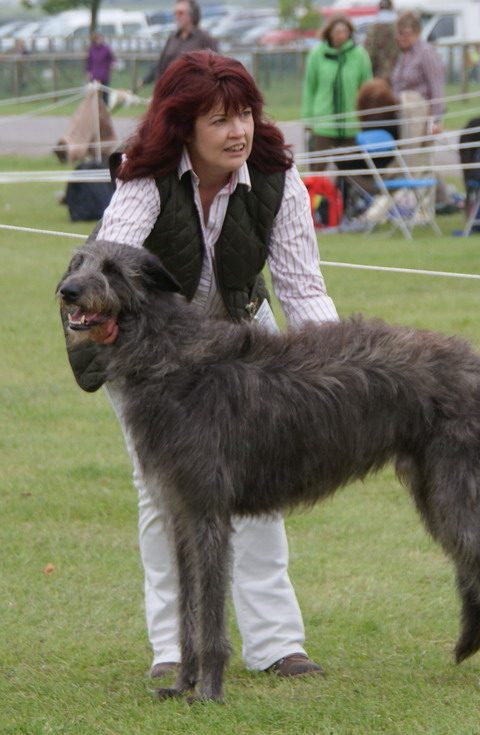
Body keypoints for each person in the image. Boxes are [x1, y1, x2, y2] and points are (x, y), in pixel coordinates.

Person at [69, 49, 338, 681]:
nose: (238, 131)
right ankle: (174, 650)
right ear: (183, 125)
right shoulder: (144, 178)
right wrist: (101, 328)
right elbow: (108, 262)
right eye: (219, 119)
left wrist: (335, 368)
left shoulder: (279, 177)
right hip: (153, 353)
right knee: (165, 496)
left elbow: (304, 290)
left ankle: (277, 645)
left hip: (244, 341)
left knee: (258, 488)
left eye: (244, 114)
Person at [302, 13, 372, 171]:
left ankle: (346, 196)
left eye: (344, 31)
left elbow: (367, 89)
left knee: (352, 171)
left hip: (352, 125)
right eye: (337, 31)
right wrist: (308, 120)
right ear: (329, 32)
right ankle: (314, 196)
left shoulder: (359, 55)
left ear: (350, 32)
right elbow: (309, 88)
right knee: (318, 169)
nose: (341, 35)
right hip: (323, 124)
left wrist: (367, 117)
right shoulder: (316, 55)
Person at [139, 0, 218, 88]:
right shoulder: (173, 38)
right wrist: (149, 81)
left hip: (195, 92)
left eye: (181, 13)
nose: (177, 16)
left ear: (192, 15)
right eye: (175, 13)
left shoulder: (204, 38)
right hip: (171, 91)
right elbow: (161, 66)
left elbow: (216, 68)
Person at [390, 11, 445, 135]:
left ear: (417, 32)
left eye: (406, 34)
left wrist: (436, 120)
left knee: (417, 153)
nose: (402, 38)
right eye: (399, 34)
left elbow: (436, 86)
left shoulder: (426, 52)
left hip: (421, 116)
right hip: (403, 117)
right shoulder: (403, 55)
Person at [364, 0, 400, 84]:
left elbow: (369, 53)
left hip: (377, 76)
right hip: (397, 75)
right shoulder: (398, 28)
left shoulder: (373, 28)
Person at [85, 32, 115, 105]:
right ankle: (94, 108)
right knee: (95, 93)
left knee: (104, 93)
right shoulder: (92, 50)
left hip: (104, 74)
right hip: (95, 75)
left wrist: (113, 63)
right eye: (98, 39)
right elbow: (89, 61)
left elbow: (111, 58)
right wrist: (88, 71)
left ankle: (105, 108)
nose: (100, 41)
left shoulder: (106, 49)